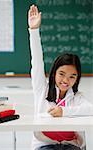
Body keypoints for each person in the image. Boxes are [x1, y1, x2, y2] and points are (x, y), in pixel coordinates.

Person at [28, 4, 93, 150]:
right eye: (62, 74)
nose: (65, 80)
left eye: (72, 76)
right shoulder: (42, 90)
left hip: (71, 146)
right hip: (45, 145)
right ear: (54, 73)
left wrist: (64, 112)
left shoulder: (77, 97)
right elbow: (37, 61)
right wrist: (34, 30)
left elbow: (90, 109)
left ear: (77, 78)